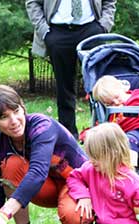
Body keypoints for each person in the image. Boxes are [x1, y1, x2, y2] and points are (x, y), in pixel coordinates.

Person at [0, 84, 92, 224]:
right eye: (4, 117)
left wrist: (4, 214)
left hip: (79, 184)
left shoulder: (42, 126)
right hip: (45, 188)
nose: (14, 121)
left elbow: (38, 172)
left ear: (23, 107)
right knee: (9, 166)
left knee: (73, 218)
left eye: (16, 111)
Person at [25, 0, 116, 138]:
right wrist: (44, 31)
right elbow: (32, 2)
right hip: (57, 32)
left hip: (91, 29)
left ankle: (102, 134)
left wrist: (104, 25)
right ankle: (69, 137)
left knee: (98, 86)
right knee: (64, 88)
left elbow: (109, 1)